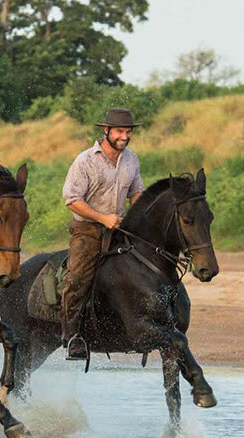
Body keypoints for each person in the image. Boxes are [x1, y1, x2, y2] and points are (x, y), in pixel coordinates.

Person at [60, 107, 144, 359]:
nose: (125, 137)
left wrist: (139, 218)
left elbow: (136, 193)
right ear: (106, 131)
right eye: (119, 131)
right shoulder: (85, 160)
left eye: (128, 132)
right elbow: (71, 200)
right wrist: (102, 218)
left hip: (119, 226)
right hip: (87, 230)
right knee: (78, 278)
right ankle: (72, 335)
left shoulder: (132, 160)